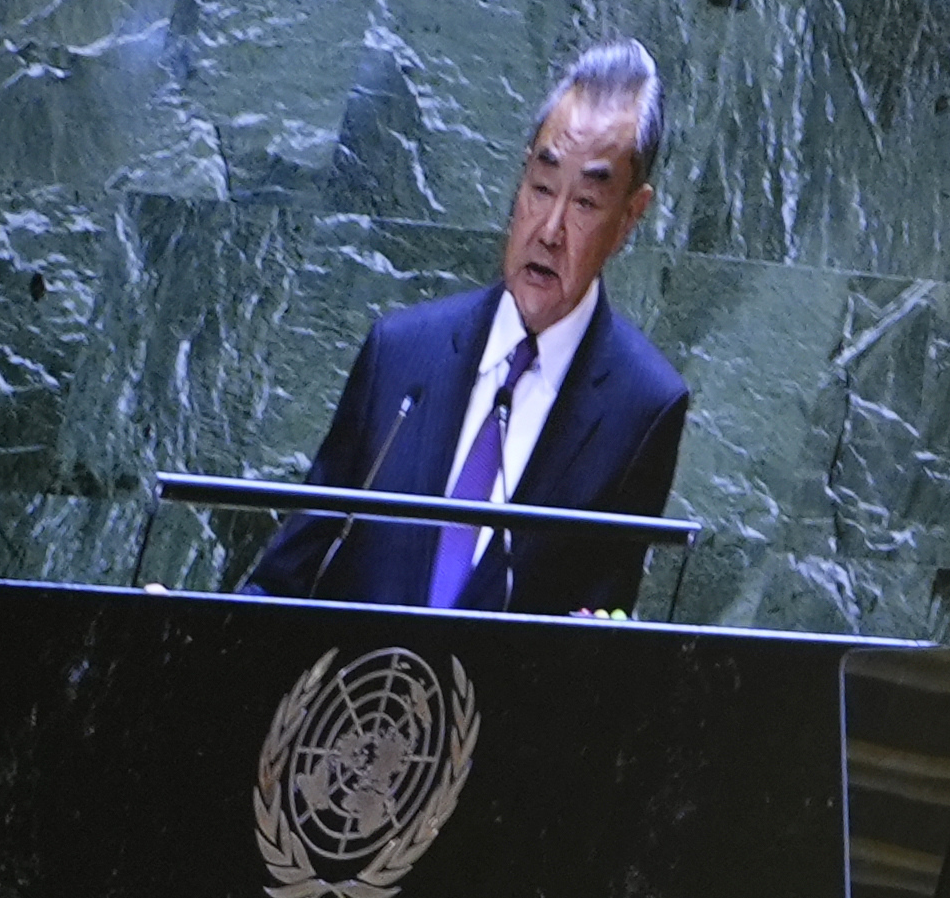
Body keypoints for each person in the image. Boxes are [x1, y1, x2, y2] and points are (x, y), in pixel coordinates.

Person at [249, 41, 692, 620]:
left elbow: (599, 641)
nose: (550, 230)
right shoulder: (401, 354)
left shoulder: (644, 407)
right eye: (540, 186)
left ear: (630, 217)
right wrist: (178, 628)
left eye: (585, 201)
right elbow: (286, 576)